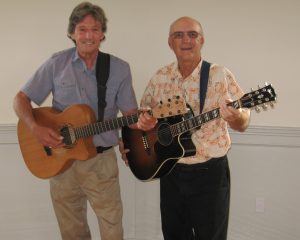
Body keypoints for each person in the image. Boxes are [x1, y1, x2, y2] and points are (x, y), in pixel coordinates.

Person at [13, 2, 154, 240]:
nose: (89, 36)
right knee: (71, 231)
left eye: (95, 29)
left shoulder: (119, 69)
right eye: (82, 29)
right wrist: (35, 127)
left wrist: (142, 123)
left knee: (112, 227)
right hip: (60, 161)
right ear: (72, 33)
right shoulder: (56, 64)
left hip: (100, 162)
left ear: (102, 34)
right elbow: (20, 99)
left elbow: (131, 117)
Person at [121, 16, 251, 240]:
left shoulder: (219, 75)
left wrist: (236, 116)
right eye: (178, 35)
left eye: (192, 34)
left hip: (210, 173)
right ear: (170, 43)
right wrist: (132, 145)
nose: (186, 40)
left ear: (202, 40)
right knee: (173, 235)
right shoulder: (160, 77)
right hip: (171, 170)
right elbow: (142, 123)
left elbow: (243, 122)